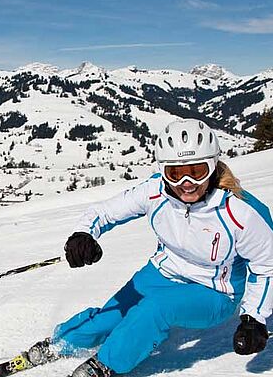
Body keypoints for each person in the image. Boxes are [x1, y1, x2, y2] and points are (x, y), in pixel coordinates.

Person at [49, 119, 272, 377]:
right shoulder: (155, 191)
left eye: (196, 171)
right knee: (112, 314)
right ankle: (62, 342)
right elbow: (105, 212)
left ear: (212, 166)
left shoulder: (240, 211)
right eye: (175, 173)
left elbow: (266, 266)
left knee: (155, 309)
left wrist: (254, 317)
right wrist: (84, 234)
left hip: (214, 292)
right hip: (163, 273)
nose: (186, 182)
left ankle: (107, 365)